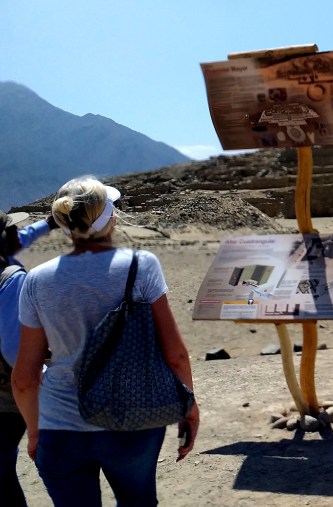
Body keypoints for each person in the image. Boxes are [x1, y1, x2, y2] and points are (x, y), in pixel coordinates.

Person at [12, 176, 200, 505]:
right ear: (109, 217)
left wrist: (36, 430)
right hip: (132, 421)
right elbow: (176, 356)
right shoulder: (141, 266)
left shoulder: (37, 280)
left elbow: (25, 378)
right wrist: (189, 408)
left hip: (61, 427)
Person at [1, 212, 56, 507]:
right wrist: (49, 375)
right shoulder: (12, 281)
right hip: (7, 400)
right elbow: (16, 353)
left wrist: (47, 224)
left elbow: (20, 238)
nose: (19, 234)